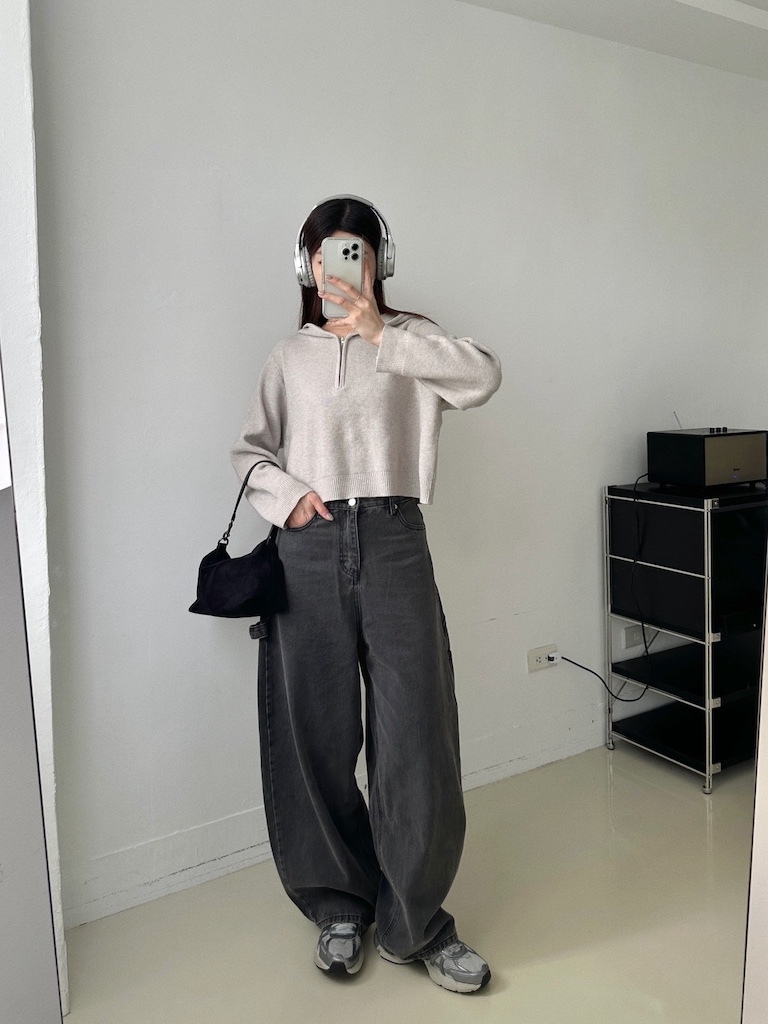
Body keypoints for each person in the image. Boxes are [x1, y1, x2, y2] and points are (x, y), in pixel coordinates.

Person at [230, 195, 502, 994]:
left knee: (416, 734)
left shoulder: (412, 341)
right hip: (308, 548)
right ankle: (339, 904)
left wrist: (383, 333)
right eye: (324, 254)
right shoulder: (289, 356)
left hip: (394, 538)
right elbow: (248, 453)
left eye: (354, 251)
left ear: (380, 262)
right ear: (305, 265)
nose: (337, 267)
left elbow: (484, 377)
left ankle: (417, 923)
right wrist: (288, 498)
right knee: (315, 734)